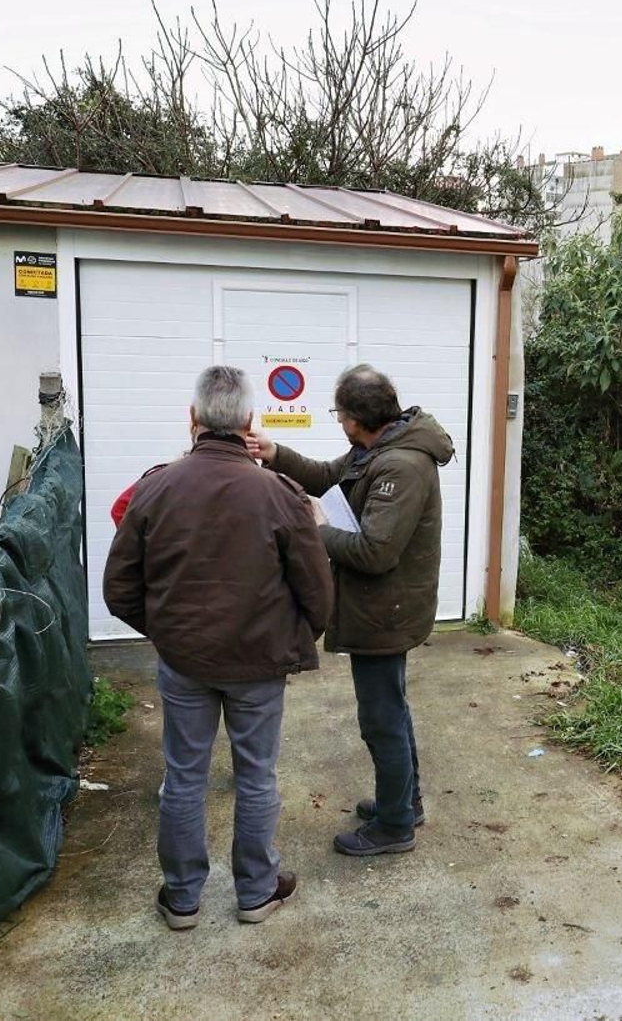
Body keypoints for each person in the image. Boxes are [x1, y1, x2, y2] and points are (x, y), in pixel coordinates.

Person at [104, 365, 335, 930]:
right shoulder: (280, 493)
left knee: (184, 775)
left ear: (193, 420)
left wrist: (165, 631)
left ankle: (182, 898)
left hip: (183, 663)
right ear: (249, 423)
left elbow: (119, 590)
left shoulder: (154, 487)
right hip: (258, 664)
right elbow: (317, 589)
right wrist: (295, 637)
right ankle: (256, 893)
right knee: (257, 776)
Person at [248, 364, 453, 857]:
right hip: (382, 607)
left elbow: (375, 553)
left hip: (386, 611)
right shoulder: (375, 449)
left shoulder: (401, 467)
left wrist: (314, 527)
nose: (338, 420)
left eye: (340, 412)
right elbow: (326, 477)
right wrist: (276, 454)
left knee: (381, 718)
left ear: (358, 418)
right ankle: (404, 802)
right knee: (392, 711)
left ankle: (394, 826)